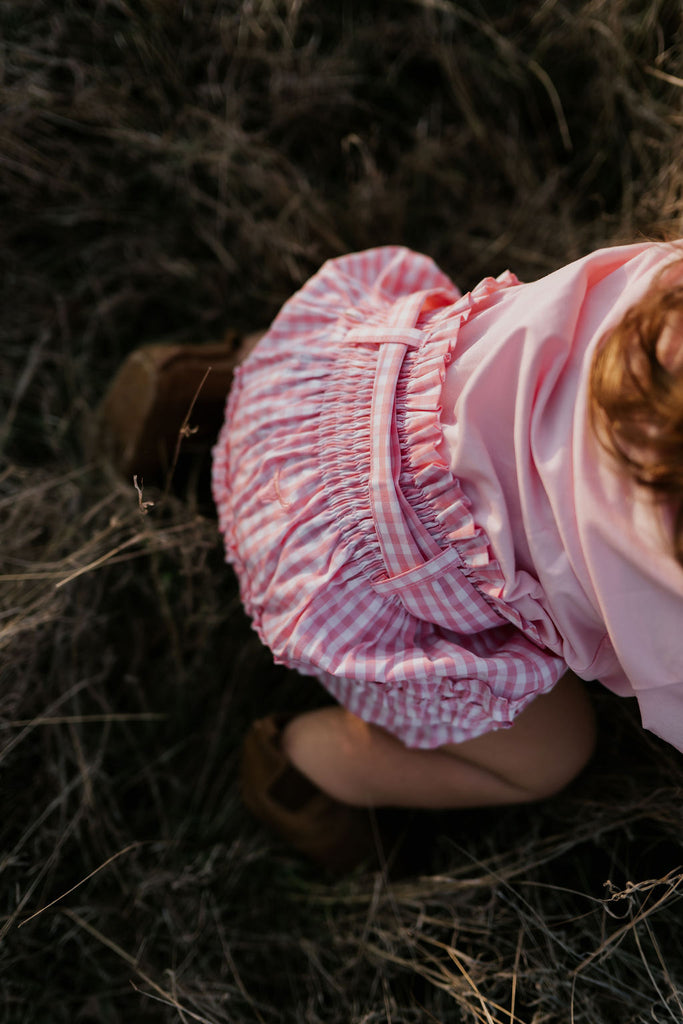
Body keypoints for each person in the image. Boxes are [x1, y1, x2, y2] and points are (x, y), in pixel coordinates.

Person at [101, 241, 683, 872]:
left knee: (440, 379)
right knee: (551, 757)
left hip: (333, 384)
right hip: (359, 589)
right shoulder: (661, 573)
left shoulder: (663, 285)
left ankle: (202, 395)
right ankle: (316, 767)